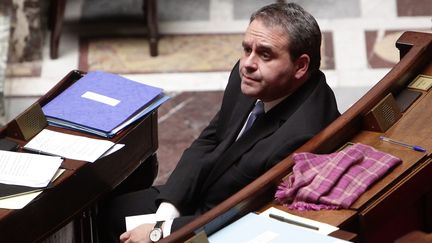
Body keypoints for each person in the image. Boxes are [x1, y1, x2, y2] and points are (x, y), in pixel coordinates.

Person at [98, 2, 340, 242]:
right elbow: (210, 139)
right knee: (109, 212)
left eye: (265, 54)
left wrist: (160, 233)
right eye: (247, 49)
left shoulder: (304, 134)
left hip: (227, 225)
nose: (248, 64)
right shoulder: (252, 77)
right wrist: (165, 215)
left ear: (300, 66)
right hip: (200, 193)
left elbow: (250, 214)